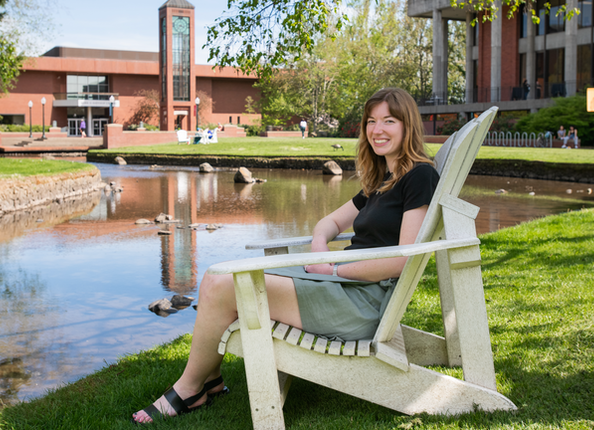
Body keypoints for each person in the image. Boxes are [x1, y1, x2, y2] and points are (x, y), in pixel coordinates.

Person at [131, 87, 440, 424]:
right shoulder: (384, 180)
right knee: (216, 276)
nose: (377, 130)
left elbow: (402, 261)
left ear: (407, 125)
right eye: (371, 121)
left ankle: (190, 390)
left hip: (362, 304)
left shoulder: (419, 177)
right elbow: (329, 223)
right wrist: (321, 249)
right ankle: (211, 380)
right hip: (343, 287)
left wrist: (333, 271)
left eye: (389, 121)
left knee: (223, 287)